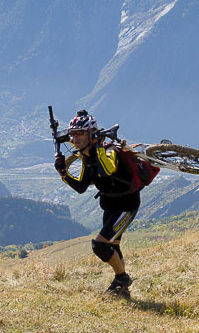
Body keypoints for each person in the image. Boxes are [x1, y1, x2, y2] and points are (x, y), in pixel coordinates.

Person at [54, 110, 139, 298]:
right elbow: (81, 187)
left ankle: (122, 279)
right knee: (113, 245)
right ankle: (122, 288)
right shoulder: (86, 157)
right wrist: (63, 173)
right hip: (109, 205)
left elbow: (108, 169)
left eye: (80, 133)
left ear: (92, 135)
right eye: (72, 134)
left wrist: (99, 146)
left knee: (100, 246)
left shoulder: (109, 152)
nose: (74, 138)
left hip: (126, 205)